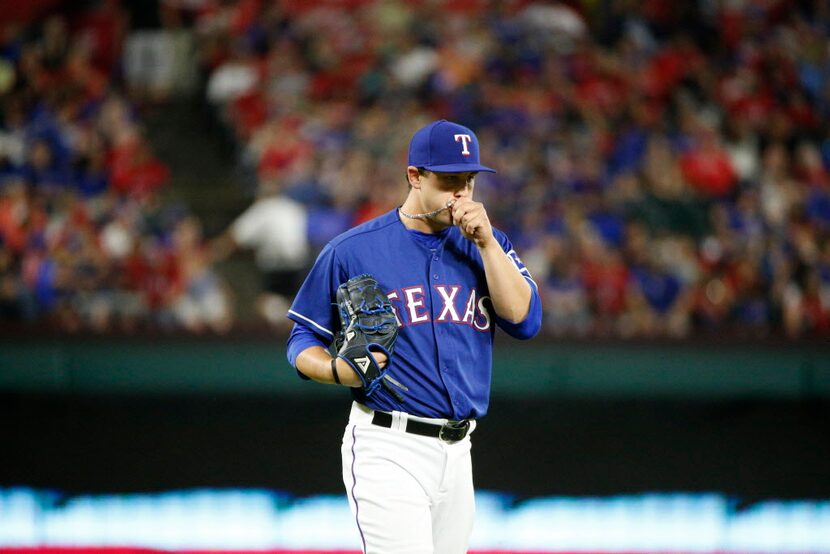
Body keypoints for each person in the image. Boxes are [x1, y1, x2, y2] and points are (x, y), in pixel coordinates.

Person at [285, 119, 542, 553]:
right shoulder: (352, 250)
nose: (461, 194)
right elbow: (301, 339)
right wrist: (332, 370)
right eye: (448, 182)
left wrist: (487, 245)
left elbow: (524, 321)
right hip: (388, 445)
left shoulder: (487, 245)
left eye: (468, 181)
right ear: (415, 176)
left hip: (459, 452)